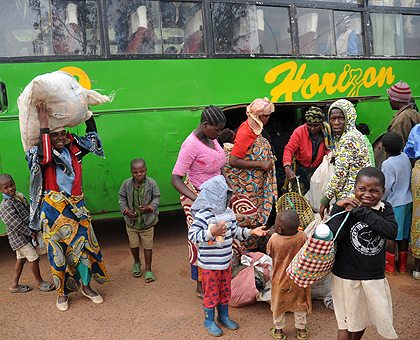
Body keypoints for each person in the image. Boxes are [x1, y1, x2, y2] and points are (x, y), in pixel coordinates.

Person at [26, 101, 109, 311]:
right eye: (55, 135)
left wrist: (87, 112)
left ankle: (87, 287)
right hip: (53, 213)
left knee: (84, 250)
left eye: (63, 133)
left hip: (77, 210)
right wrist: (44, 123)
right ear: (46, 136)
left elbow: (93, 137)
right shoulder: (39, 153)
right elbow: (45, 158)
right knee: (58, 253)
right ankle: (62, 293)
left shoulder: (75, 149)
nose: (60, 137)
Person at [171, 105, 242, 299]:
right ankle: (201, 284)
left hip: (216, 195)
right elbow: (175, 179)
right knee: (202, 239)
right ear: (205, 124)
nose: (220, 133)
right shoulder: (190, 145)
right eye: (217, 130)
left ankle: (218, 277)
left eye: (221, 130)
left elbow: (220, 165)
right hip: (195, 195)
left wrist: (229, 184)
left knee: (221, 235)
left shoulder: (212, 138)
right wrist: (199, 200)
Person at [187, 175, 268, 336]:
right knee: (211, 292)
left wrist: (251, 231)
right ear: (213, 196)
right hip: (210, 265)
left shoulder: (228, 212)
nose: (227, 198)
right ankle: (209, 320)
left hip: (226, 262)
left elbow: (235, 232)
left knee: (225, 290)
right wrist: (211, 232)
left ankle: (223, 316)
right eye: (223, 195)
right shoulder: (203, 215)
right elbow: (192, 235)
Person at [326, 167, 398, 340]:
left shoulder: (384, 208)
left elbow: (391, 231)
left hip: (372, 277)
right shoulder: (346, 209)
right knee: (346, 323)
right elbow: (332, 234)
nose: (367, 194)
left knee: (361, 320)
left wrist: (362, 213)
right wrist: (337, 208)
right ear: (354, 189)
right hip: (346, 277)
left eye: (374, 191)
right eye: (362, 189)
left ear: (383, 191)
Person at [227, 97, 277, 251]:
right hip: (246, 187)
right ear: (260, 117)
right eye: (267, 116)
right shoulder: (245, 132)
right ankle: (247, 250)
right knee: (248, 216)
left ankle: (256, 244)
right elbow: (233, 161)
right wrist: (260, 164)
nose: (269, 118)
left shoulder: (254, 128)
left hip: (255, 186)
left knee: (256, 216)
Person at [0, 174, 54, 294]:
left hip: (23, 237)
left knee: (21, 260)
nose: (10, 189)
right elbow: (15, 224)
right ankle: (39, 282)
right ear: (0, 190)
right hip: (19, 239)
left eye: (12, 185)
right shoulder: (5, 205)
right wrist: (29, 232)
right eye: (6, 188)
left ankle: (14, 285)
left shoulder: (17, 197)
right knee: (34, 258)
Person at [320, 99, 371, 219]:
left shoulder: (349, 139)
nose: (336, 122)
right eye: (333, 119)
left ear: (349, 118)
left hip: (350, 199)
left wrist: (326, 198)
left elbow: (340, 174)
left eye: (341, 118)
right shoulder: (355, 134)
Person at [267, 210, 311, 340]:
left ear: (279, 229)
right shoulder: (302, 236)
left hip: (279, 279)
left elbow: (269, 252)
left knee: (278, 305)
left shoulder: (274, 239)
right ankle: (302, 330)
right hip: (298, 278)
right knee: (300, 304)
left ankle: (279, 332)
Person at [118, 158, 160, 282]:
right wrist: (127, 211)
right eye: (136, 172)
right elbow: (122, 198)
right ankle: (136, 261)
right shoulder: (126, 184)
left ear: (146, 170)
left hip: (148, 223)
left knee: (148, 247)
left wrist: (149, 207)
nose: (139, 174)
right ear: (131, 172)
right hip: (132, 223)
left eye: (142, 171)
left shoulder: (151, 183)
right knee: (134, 245)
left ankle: (148, 269)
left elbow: (157, 197)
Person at [283, 106, 334, 196]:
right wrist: (287, 167)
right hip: (302, 169)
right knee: (298, 196)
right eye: (309, 125)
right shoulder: (299, 132)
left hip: (319, 169)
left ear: (322, 123)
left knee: (318, 195)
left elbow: (330, 148)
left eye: (316, 125)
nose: (312, 128)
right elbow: (289, 149)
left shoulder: (327, 132)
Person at [381, 132, 413, 276]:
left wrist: (381, 200)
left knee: (391, 235)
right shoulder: (406, 157)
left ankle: (389, 268)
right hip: (408, 201)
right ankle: (403, 265)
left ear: (384, 149)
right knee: (404, 236)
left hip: (395, 204)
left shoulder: (387, 164)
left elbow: (386, 187)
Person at [404, 123, 420, 279]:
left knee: (418, 217)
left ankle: (417, 267)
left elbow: (409, 151)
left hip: (419, 174)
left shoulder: (418, 129)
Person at [266, 119, 291, 196]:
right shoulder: (288, 136)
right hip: (287, 170)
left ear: (269, 129)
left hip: (275, 171)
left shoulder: (268, 139)